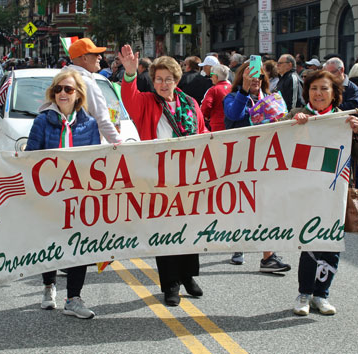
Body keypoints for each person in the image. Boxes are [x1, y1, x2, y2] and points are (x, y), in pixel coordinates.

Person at [118, 44, 208, 307]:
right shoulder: (146, 102)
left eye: (168, 79)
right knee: (166, 232)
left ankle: (188, 276)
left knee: (189, 228)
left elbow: (202, 134)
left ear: (176, 80)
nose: (163, 83)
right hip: (159, 176)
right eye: (158, 79)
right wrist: (131, 74)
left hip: (189, 175)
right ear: (153, 81)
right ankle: (171, 284)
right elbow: (129, 99)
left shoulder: (190, 104)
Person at [282, 70, 358, 316]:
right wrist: (292, 126)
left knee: (331, 244)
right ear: (307, 92)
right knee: (310, 243)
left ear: (334, 93)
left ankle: (322, 295)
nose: (318, 93)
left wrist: (357, 133)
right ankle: (304, 293)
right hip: (306, 191)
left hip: (335, 192)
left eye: (324, 89)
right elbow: (280, 146)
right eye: (313, 89)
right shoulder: (296, 115)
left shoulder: (344, 119)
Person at [25, 70, 99, 319]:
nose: (62, 94)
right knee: (50, 242)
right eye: (58, 89)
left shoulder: (89, 123)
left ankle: (74, 298)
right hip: (49, 194)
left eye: (68, 89)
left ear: (78, 94)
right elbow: (31, 157)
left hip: (78, 196)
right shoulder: (43, 121)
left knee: (80, 245)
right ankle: (48, 286)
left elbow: (96, 160)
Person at [223, 61, 292, 272]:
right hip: (240, 162)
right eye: (249, 75)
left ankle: (268, 257)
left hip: (267, 161)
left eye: (259, 76)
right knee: (241, 206)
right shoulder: (232, 97)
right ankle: (238, 244)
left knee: (267, 207)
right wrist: (243, 90)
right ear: (241, 77)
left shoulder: (273, 99)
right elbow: (233, 116)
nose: (255, 80)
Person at [65, 38, 121, 144]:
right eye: (96, 54)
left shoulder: (61, 78)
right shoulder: (86, 83)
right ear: (85, 58)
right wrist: (121, 145)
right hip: (86, 146)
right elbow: (103, 121)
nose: (100, 57)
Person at [201, 64, 232, 131]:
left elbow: (206, 105)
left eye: (212, 75)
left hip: (217, 124)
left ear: (215, 76)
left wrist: (205, 116)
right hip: (232, 123)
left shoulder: (213, 90)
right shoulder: (233, 88)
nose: (211, 77)